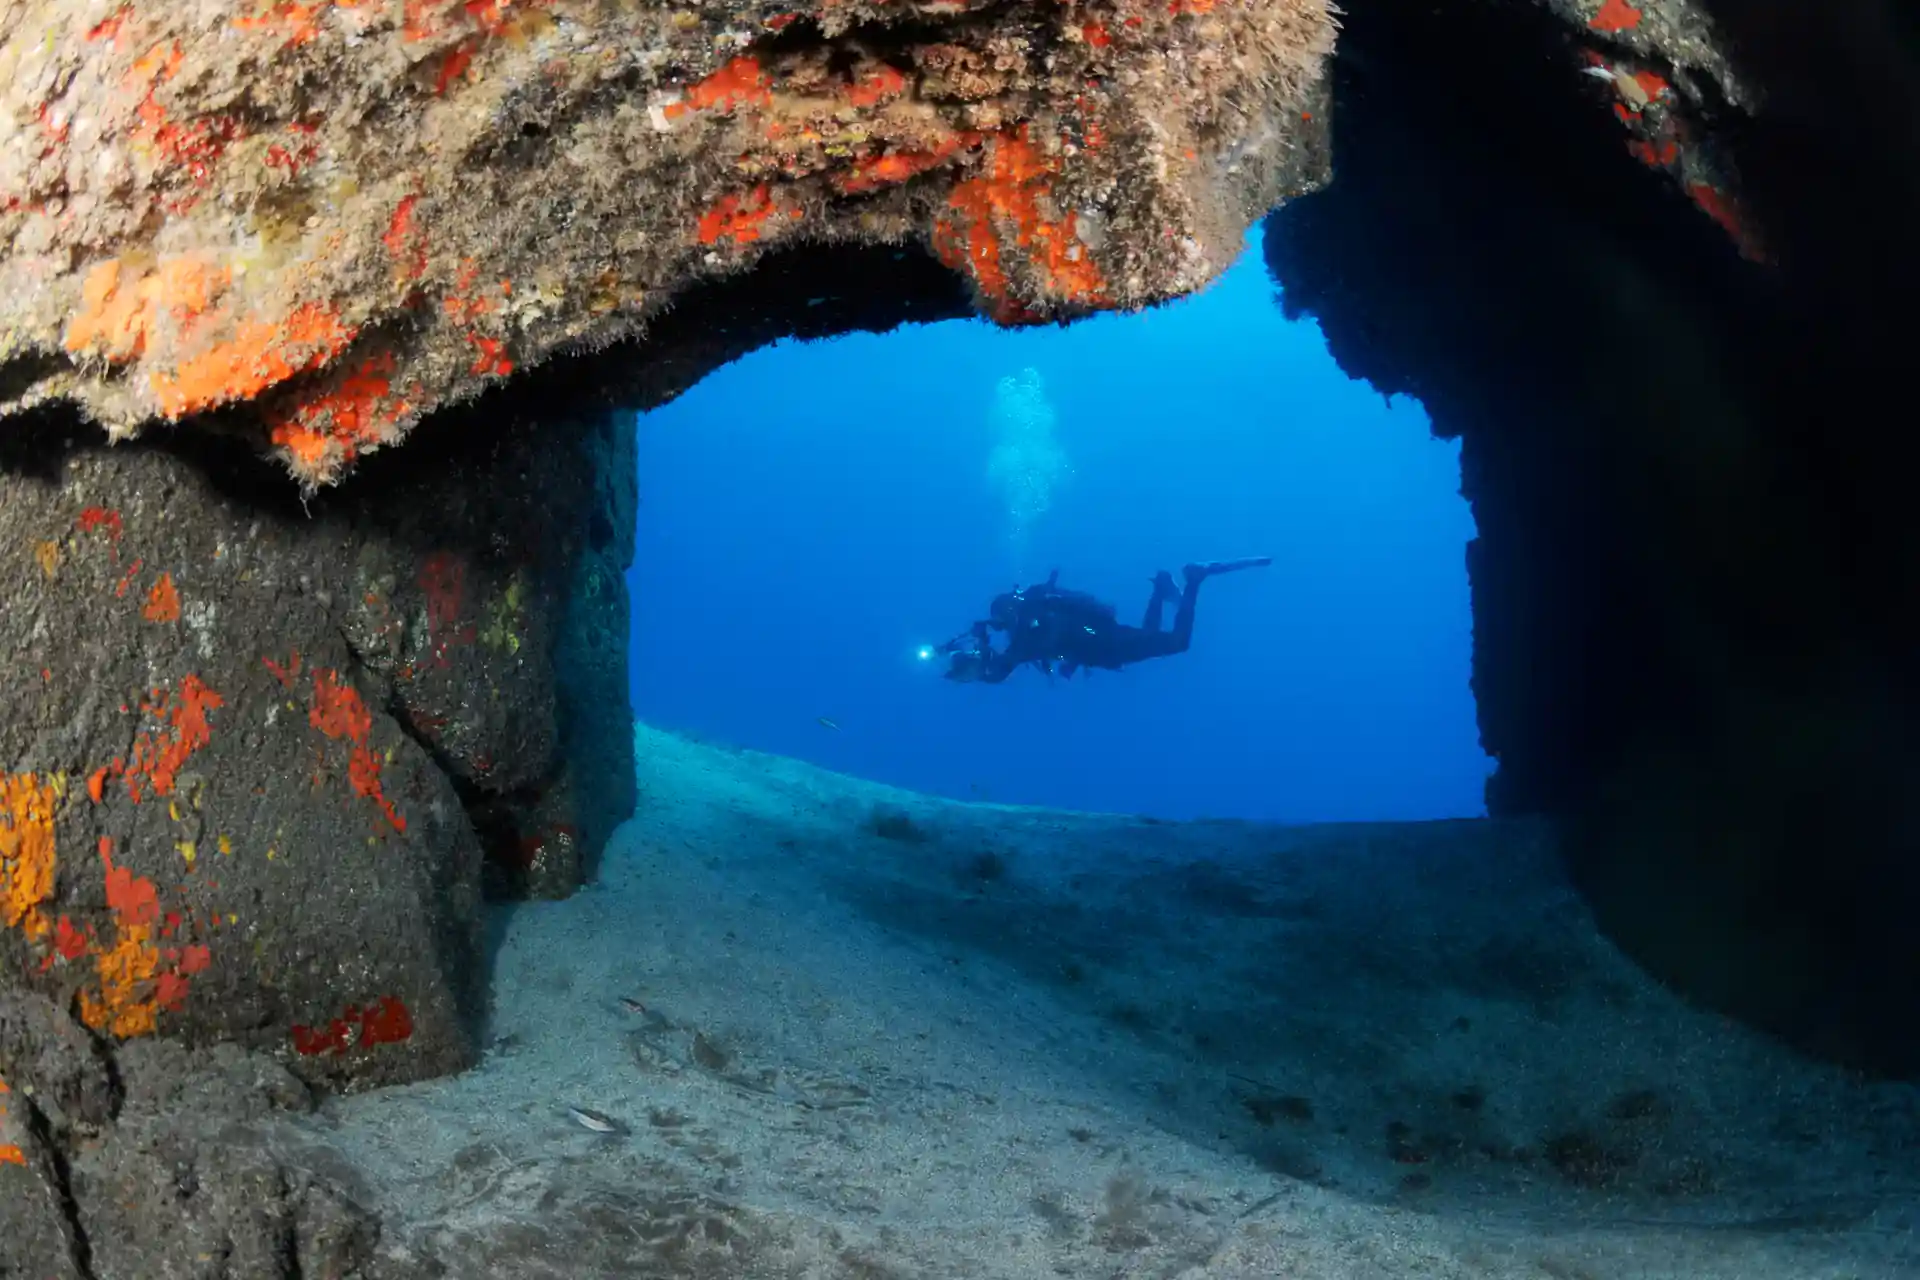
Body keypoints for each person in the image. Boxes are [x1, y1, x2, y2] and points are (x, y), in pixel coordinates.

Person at [936, 558, 1271, 683]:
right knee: (1148, 637)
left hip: (1105, 644)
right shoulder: (1030, 621)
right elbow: (1009, 661)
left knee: (1178, 643)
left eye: (1002, 616)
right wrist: (981, 649)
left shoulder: (1028, 628)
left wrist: (977, 662)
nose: (1002, 622)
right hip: (1107, 643)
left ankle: (1194, 580)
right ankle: (1162, 586)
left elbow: (1003, 669)